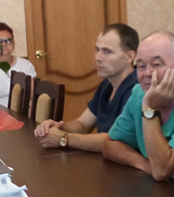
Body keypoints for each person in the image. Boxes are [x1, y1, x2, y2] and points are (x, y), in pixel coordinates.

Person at [104, 31, 174, 181]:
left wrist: (150, 108)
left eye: (156, 64)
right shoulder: (140, 93)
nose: (147, 73)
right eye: (141, 66)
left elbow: (162, 170)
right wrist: (143, 164)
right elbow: (110, 145)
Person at [34, 23, 139, 152]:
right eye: (97, 50)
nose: (98, 58)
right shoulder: (107, 84)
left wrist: (64, 138)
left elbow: (115, 141)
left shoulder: (137, 89)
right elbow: (82, 124)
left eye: (107, 52)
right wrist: (59, 127)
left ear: (129, 56)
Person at [0, 22, 37, 107]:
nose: (4, 44)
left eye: (8, 40)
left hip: (22, 111)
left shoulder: (26, 66)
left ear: (13, 44)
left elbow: (31, 97)